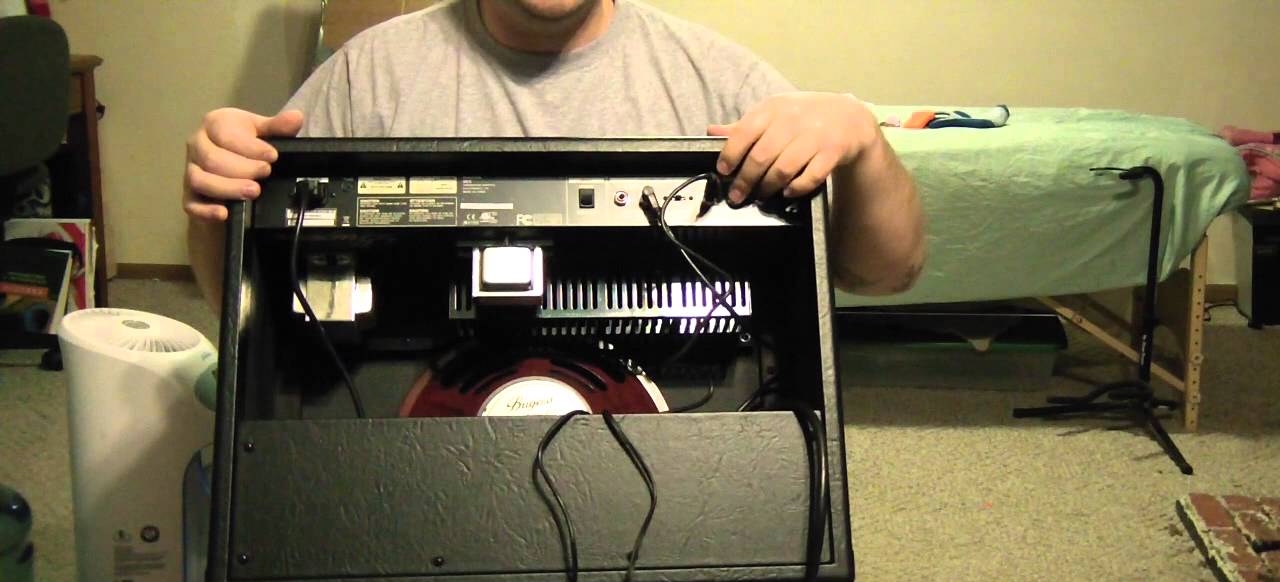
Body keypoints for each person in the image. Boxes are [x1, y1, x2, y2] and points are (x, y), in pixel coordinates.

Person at [183, 0, 925, 307]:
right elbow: (245, 310)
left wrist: (862, 142)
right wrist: (219, 205)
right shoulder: (368, 76)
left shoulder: (718, 78)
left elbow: (887, 272)